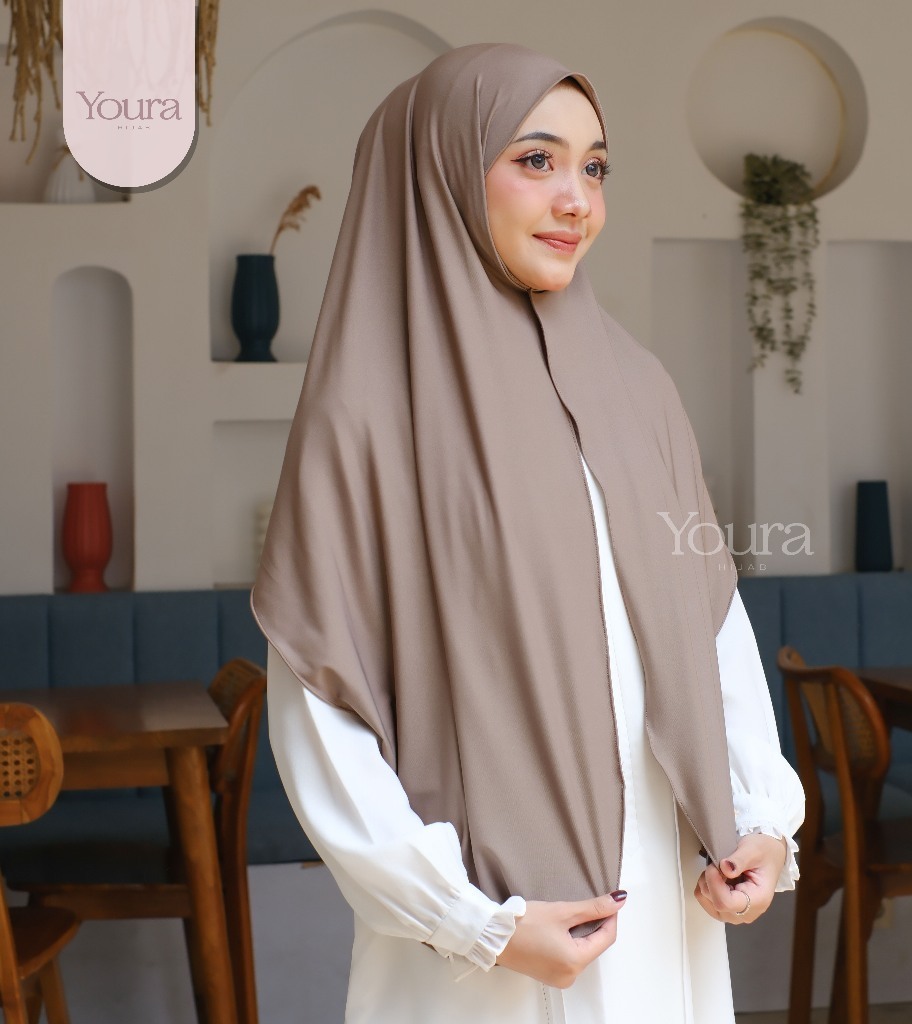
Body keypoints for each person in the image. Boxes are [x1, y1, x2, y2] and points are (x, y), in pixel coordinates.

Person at [251, 41, 804, 1024]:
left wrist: (760, 819)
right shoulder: (367, 417)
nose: (576, 199)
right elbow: (320, 702)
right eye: (536, 159)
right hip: (486, 939)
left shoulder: (637, 390)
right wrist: (470, 921)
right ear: (441, 170)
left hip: (661, 907)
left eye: (594, 166)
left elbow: (711, 624)